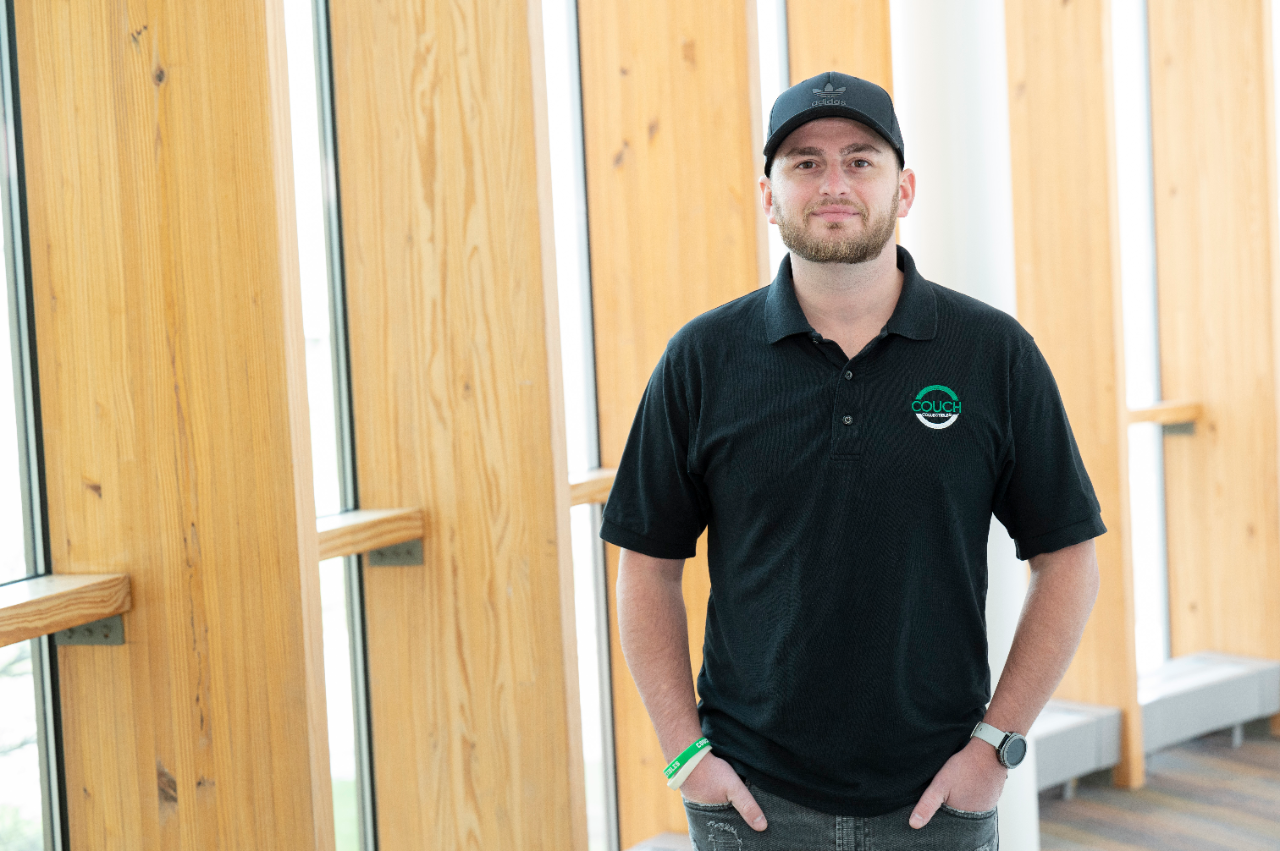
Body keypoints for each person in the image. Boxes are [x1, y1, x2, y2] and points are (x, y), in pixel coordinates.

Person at [600, 71, 1104, 850]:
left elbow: (1068, 558)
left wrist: (995, 745)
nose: (833, 183)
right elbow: (646, 567)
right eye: (805, 162)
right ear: (769, 196)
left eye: (860, 160)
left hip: (938, 800)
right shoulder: (701, 359)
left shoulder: (994, 354)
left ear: (904, 190)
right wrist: (685, 753)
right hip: (752, 802)